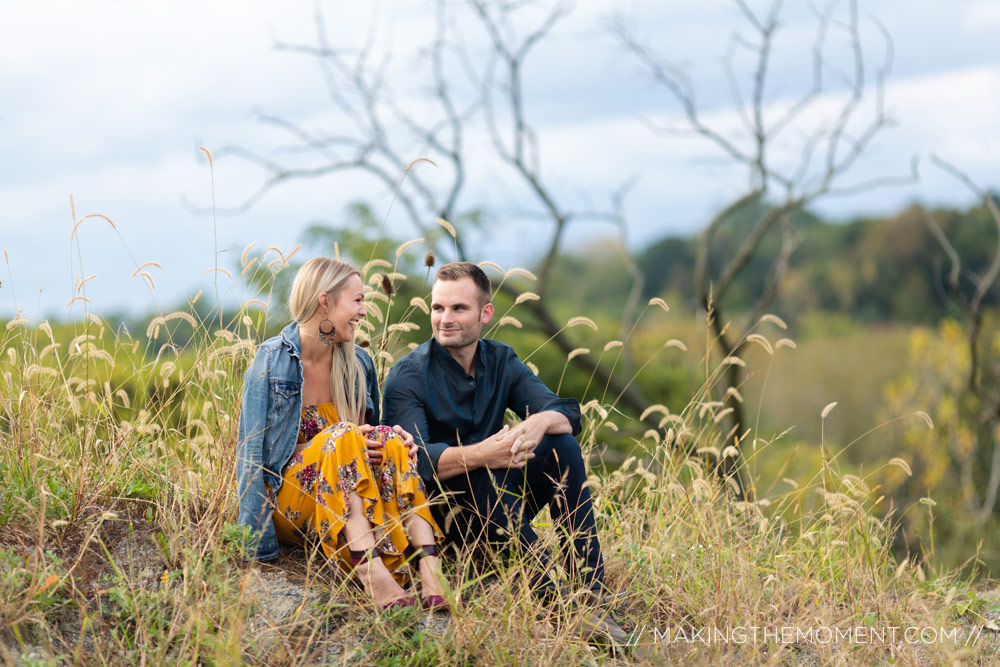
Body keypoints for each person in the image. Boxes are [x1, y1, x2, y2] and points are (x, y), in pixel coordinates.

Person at [382, 262, 624, 640]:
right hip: (443, 521)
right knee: (481, 473)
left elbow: (567, 413)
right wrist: (482, 455)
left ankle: (589, 592)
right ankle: (556, 602)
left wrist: (539, 423)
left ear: (485, 313)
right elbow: (412, 462)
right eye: (437, 308)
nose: (445, 319)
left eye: (458, 308)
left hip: (501, 508)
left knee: (560, 444)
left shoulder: (501, 360)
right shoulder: (408, 375)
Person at [236, 257, 445, 609]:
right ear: (326, 302)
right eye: (358, 300)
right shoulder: (272, 361)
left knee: (390, 439)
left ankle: (431, 571)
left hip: (346, 503)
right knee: (344, 434)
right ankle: (373, 576)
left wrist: (389, 442)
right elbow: (250, 454)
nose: (364, 311)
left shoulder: (358, 362)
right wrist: (255, 542)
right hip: (291, 506)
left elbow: (368, 443)